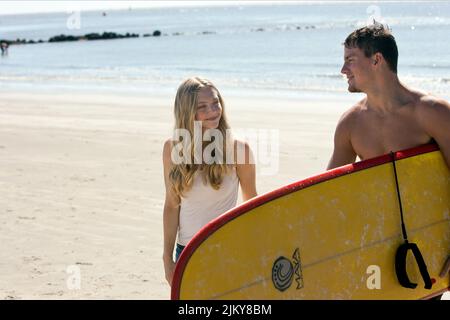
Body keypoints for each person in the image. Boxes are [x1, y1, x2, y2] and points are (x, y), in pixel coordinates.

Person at [162, 77, 257, 286]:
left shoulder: (239, 150)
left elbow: (252, 205)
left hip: (227, 249)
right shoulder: (172, 149)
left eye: (216, 103)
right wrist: (167, 259)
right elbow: (171, 206)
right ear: (187, 112)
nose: (213, 110)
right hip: (186, 253)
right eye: (202, 107)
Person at [327, 23, 450, 170]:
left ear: (376, 60)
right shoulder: (350, 124)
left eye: (350, 60)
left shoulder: (433, 112)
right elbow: (331, 187)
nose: (343, 70)